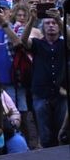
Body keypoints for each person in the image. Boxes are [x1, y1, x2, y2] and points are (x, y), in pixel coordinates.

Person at [19, 16, 68, 148]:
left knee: (63, 132)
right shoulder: (37, 43)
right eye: (47, 23)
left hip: (61, 93)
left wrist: (60, 20)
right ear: (43, 27)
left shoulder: (64, 44)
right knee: (44, 133)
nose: (51, 25)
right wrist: (31, 19)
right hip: (41, 93)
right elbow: (23, 41)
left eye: (54, 23)